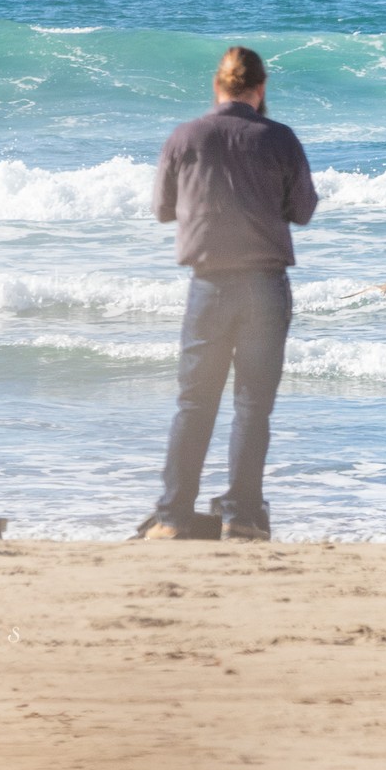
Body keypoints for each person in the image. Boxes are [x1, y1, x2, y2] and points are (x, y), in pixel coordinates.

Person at [138, 46, 318, 541]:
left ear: (216, 87)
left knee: (195, 403)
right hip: (264, 283)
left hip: (209, 285)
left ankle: (173, 517)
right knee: (252, 406)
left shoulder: (187, 136)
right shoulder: (279, 138)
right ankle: (241, 516)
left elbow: (161, 209)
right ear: (259, 90)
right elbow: (302, 210)